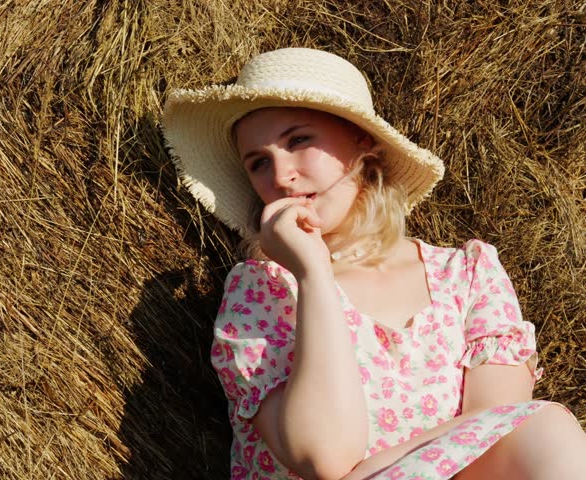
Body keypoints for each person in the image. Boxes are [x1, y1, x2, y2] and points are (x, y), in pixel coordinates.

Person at [161, 48, 586, 480]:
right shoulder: (262, 291)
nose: (281, 175)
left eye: (299, 140)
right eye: (259, 163)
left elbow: (497, 436)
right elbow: (323, 458)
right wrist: (313, 274)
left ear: (362, 141)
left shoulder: (466, 275)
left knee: (543, 427)